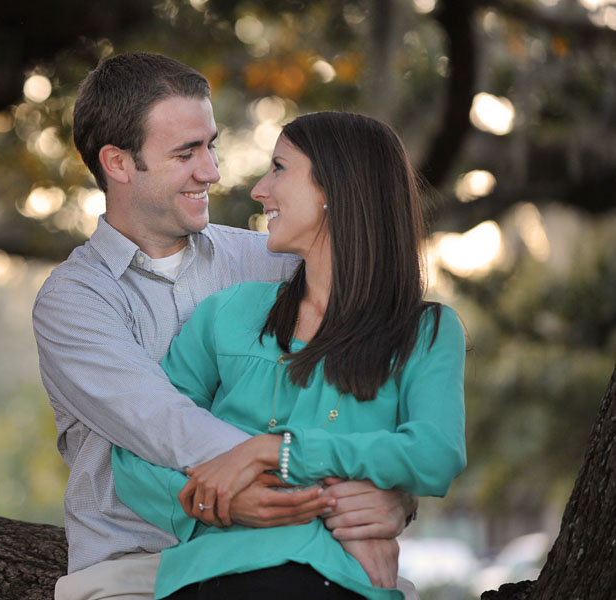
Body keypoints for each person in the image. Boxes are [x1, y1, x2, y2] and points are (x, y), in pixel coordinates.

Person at [32, 53, 416, 600]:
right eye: (186, 153)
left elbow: (387, 387)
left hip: (302, 547)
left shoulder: (280, 263)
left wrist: (394, 497)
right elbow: (165, 425)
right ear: (117, 163)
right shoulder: (75, 301)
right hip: (143, 571)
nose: (211, 170)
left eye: (210, 145)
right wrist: (324, 487)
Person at [110, 111, 467, 600]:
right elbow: (135, 451)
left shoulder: (425, 332)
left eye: (279, 168)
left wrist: (276, 451)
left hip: (332, 580)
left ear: (334, 190)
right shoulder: (229, 314)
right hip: (206, 581)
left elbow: (436, 454)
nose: (260, 189)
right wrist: (224, 502)